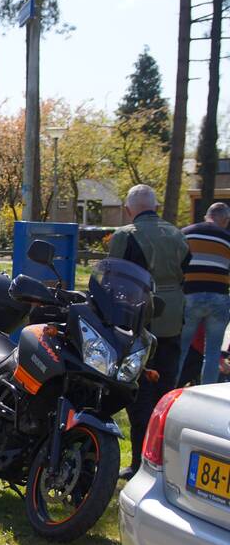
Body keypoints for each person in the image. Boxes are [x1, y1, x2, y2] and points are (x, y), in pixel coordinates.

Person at [109, 184, 190, 480]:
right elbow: (186, 269)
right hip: (173, 320)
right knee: (166, 390)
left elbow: (114, 278)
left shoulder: (127, 235)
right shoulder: (177, 234)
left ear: (130, 208)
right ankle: (164, 461)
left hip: (141, 319)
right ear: (154, 206)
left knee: (139, 391)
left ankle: (140, 461)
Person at [177, 202, 230, 386]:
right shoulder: (227, 238)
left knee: (181, 349)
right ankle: (207, 393)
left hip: (190, 295)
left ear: (207, 215)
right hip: (218, 297)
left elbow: (177, 265)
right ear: (225, 220)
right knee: (213, 352)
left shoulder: (186, 233)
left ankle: (169, 392)